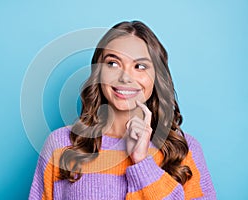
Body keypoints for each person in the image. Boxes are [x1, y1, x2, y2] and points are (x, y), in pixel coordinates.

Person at [29, 21, 216, 200]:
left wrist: (143, 163)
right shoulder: (60, 145)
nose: (125, 78)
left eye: (140, 66)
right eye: (113, 64)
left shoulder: (185, 150)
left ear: (157, 77)